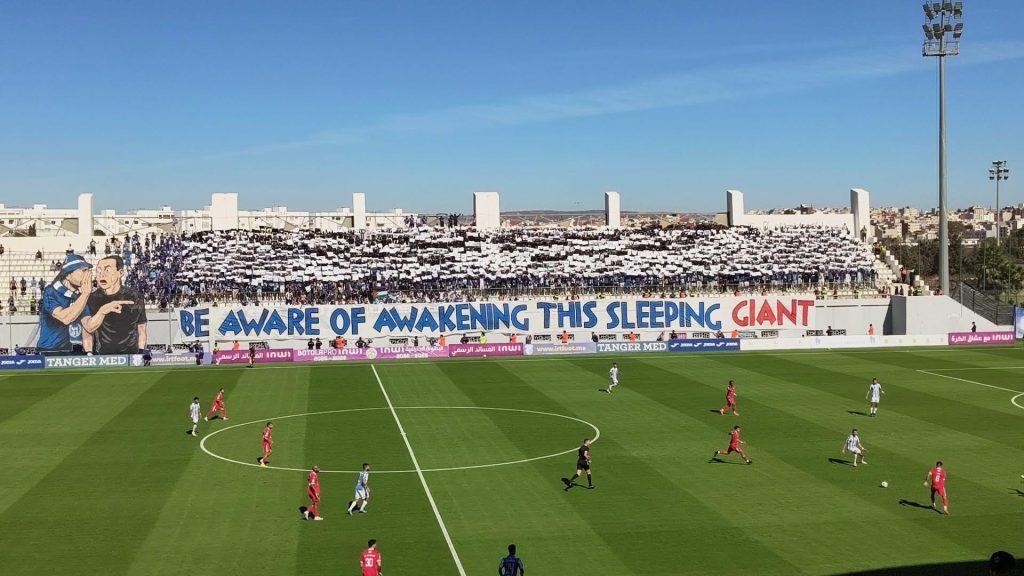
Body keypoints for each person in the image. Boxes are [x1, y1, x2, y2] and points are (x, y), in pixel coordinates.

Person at [81, 255, 147, 354]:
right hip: (102, 356)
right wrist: (89, 353)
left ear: (120, 273)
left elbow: (142, 328)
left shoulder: (134, 296)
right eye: (99, 271)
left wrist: (142, 352)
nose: (101, 275)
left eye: (107, 270)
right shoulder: (92, 298)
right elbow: (87, 329)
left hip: (130, 355)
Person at [37, 254, 93, 353]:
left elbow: (87, 328)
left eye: (88, 271)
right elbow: (65, 318)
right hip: (50, 351)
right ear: (68, 275)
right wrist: (85, 294)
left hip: (72, 350)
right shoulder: (51, 291)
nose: (88, 274)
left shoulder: (80, 296)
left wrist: (89, 353)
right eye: (83, 270)